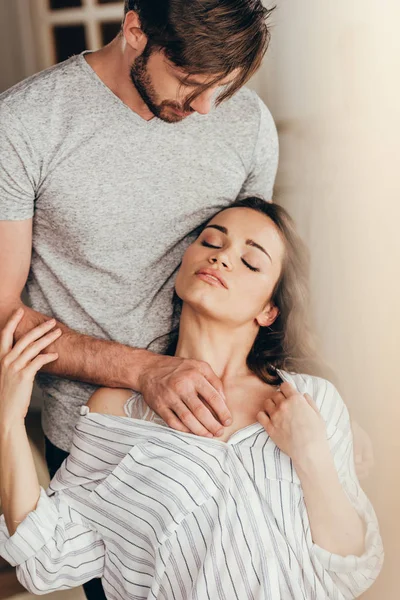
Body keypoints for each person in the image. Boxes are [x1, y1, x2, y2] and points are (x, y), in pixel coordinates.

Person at [0, 198, 383, 599]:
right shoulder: (114, 413)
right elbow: (49, 559)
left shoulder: (310, 400)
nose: (221, 259)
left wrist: (312, 456)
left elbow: (351, 566)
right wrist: (8, 422)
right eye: (211, 243)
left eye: (251, 262)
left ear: (269, 309)